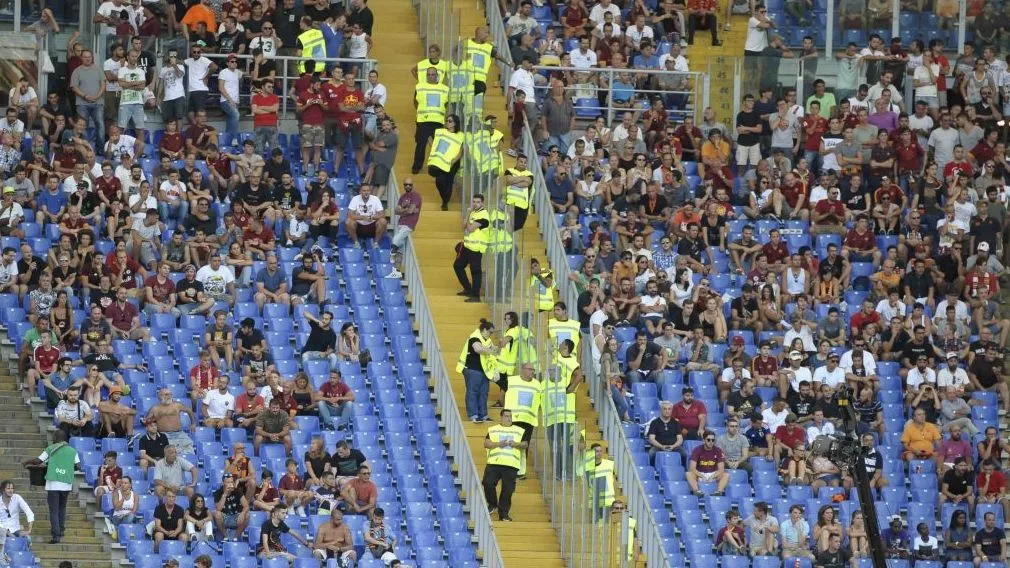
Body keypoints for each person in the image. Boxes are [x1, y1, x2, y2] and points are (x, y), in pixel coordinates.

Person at [25, 430, 78, 544]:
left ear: (56, 438)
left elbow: (38, 461)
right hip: (66, 484)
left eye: (53, 437)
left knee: (54, 510)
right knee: (62, 508)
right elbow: (78, 465)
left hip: (53, 483)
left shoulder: (51, 448)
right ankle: (61, 530)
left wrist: (26, 462)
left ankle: (56, 536)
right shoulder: (73, 450)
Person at [483, 409, 525, 522]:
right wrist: (498, 444)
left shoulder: (519, 430)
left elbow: (525, 444)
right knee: (487, 483)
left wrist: (516, 444)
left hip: (511, 464)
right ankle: (493, 504)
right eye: (506, 416)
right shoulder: (493, 430)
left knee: (508, 490)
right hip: (495, 462)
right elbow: (486, 443)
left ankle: (504, 514)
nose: (509, 418)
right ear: (501, 417)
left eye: (510, 416)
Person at [457, 318, 499, 422]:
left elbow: (494, 355)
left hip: (484, 371)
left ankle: (483, 415)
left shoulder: (488, 341)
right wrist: (491, 351)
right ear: (484, 329)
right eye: (490, 332)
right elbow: (478, 349)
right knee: (473, 392)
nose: (491, 334)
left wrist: (495, 369)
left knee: (484, 393)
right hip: (472, 369)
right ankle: (473, 415)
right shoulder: (474, 337)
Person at [455, 193, 490, 301]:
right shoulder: (473, 212)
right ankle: (468, 289)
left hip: (476, 248)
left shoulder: (484, 215)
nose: (475, 204)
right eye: (474, 202)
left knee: (475, 272)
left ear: (482, 203)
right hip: (468, 246)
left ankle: (475, 295)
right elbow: (463, 226)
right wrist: (468, 214)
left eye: (478, 202)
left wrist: (469, 216)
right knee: (457, 266)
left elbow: (470, 229)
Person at [427, 114, 464, 210]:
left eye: (450, 121)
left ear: (455, 123)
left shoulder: (460, 135)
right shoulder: (440, 131)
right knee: (439, 181)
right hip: (439, 161)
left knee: (449, 181)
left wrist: (454, 161)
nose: (447, 122)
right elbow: (429, 138)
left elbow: (461, 150)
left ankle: (445, 202)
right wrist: (433, 149)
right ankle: (445, 199)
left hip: (453, 163)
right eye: (447, 120)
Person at [685, 430, 730, 496]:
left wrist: (713, 476)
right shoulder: (697, 450)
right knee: (688, 474)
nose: (711, 442)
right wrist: (701, 475)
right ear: (704, 440)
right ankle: (696, 491)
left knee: (726, 475)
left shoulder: (718, 450)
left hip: (713, 474)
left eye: (713, 440)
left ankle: (719, 492)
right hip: (700, 473)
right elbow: (692, 468)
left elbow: (721, 469)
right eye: (708, 440)